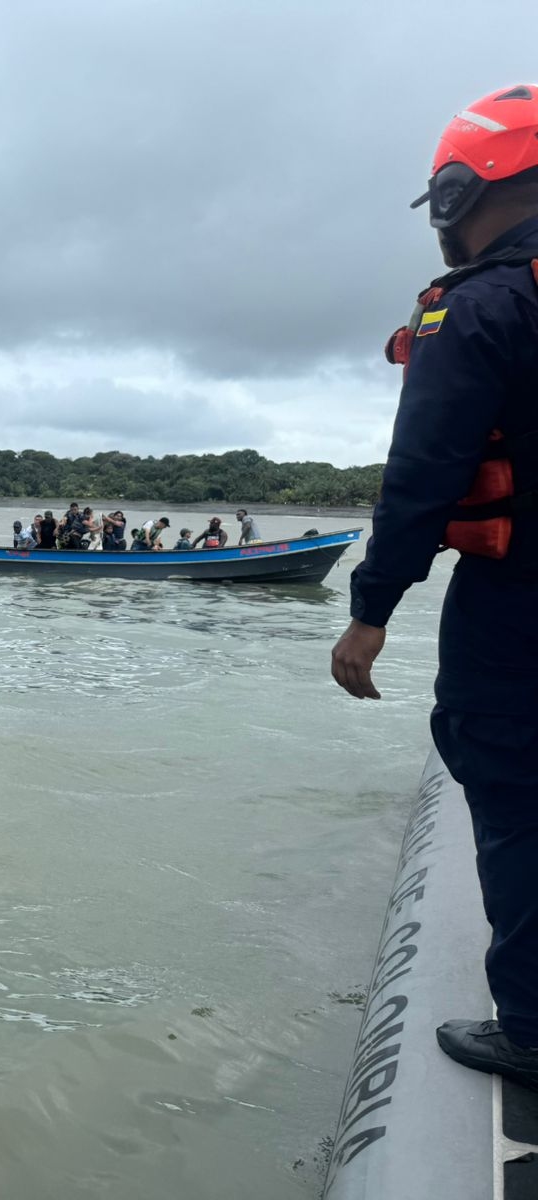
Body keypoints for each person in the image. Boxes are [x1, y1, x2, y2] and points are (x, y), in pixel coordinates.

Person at [329, 85, 538, 1089]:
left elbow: (423, 475)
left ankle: (534, 1026)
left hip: (520, 603)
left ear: (461, 190)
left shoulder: (479, 307)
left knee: (510, 787)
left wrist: (369, 613)